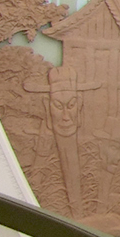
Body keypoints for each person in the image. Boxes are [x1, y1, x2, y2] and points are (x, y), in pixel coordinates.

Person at [23, 62, 103, 219]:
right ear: (47, 106)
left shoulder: (93, 150)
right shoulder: (41, 143)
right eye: (58, 106)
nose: (66, 117)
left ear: (79, 104)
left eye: (71, 105)